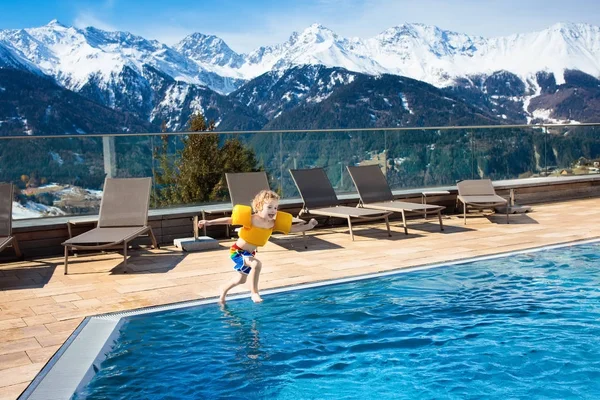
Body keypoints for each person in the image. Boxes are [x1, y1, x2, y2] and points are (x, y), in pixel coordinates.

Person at [197, 190, 317, 304]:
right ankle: (254, 293)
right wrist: (209, 222)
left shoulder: (272, 224)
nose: (273, 210)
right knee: (256, 264)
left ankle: (223, 289)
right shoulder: (252, 219)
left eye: (275, 208)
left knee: (241, 280)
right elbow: (230, 220)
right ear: (259, 206)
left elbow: (291, 228)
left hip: (249, 254)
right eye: (269, 207)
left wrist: (308, 226)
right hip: (237, 251)